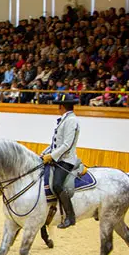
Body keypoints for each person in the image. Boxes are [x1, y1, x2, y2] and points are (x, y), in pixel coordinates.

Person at [41, 93, 80, 229]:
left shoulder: (71, 121)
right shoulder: (65, 119)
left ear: (62, 106)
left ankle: (70, 216)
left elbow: (67, 144)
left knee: (57, 184)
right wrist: (44, 153)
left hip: (66, 160)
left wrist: (52, 156)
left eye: (58, 106)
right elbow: (55, 143)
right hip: (58, 156)